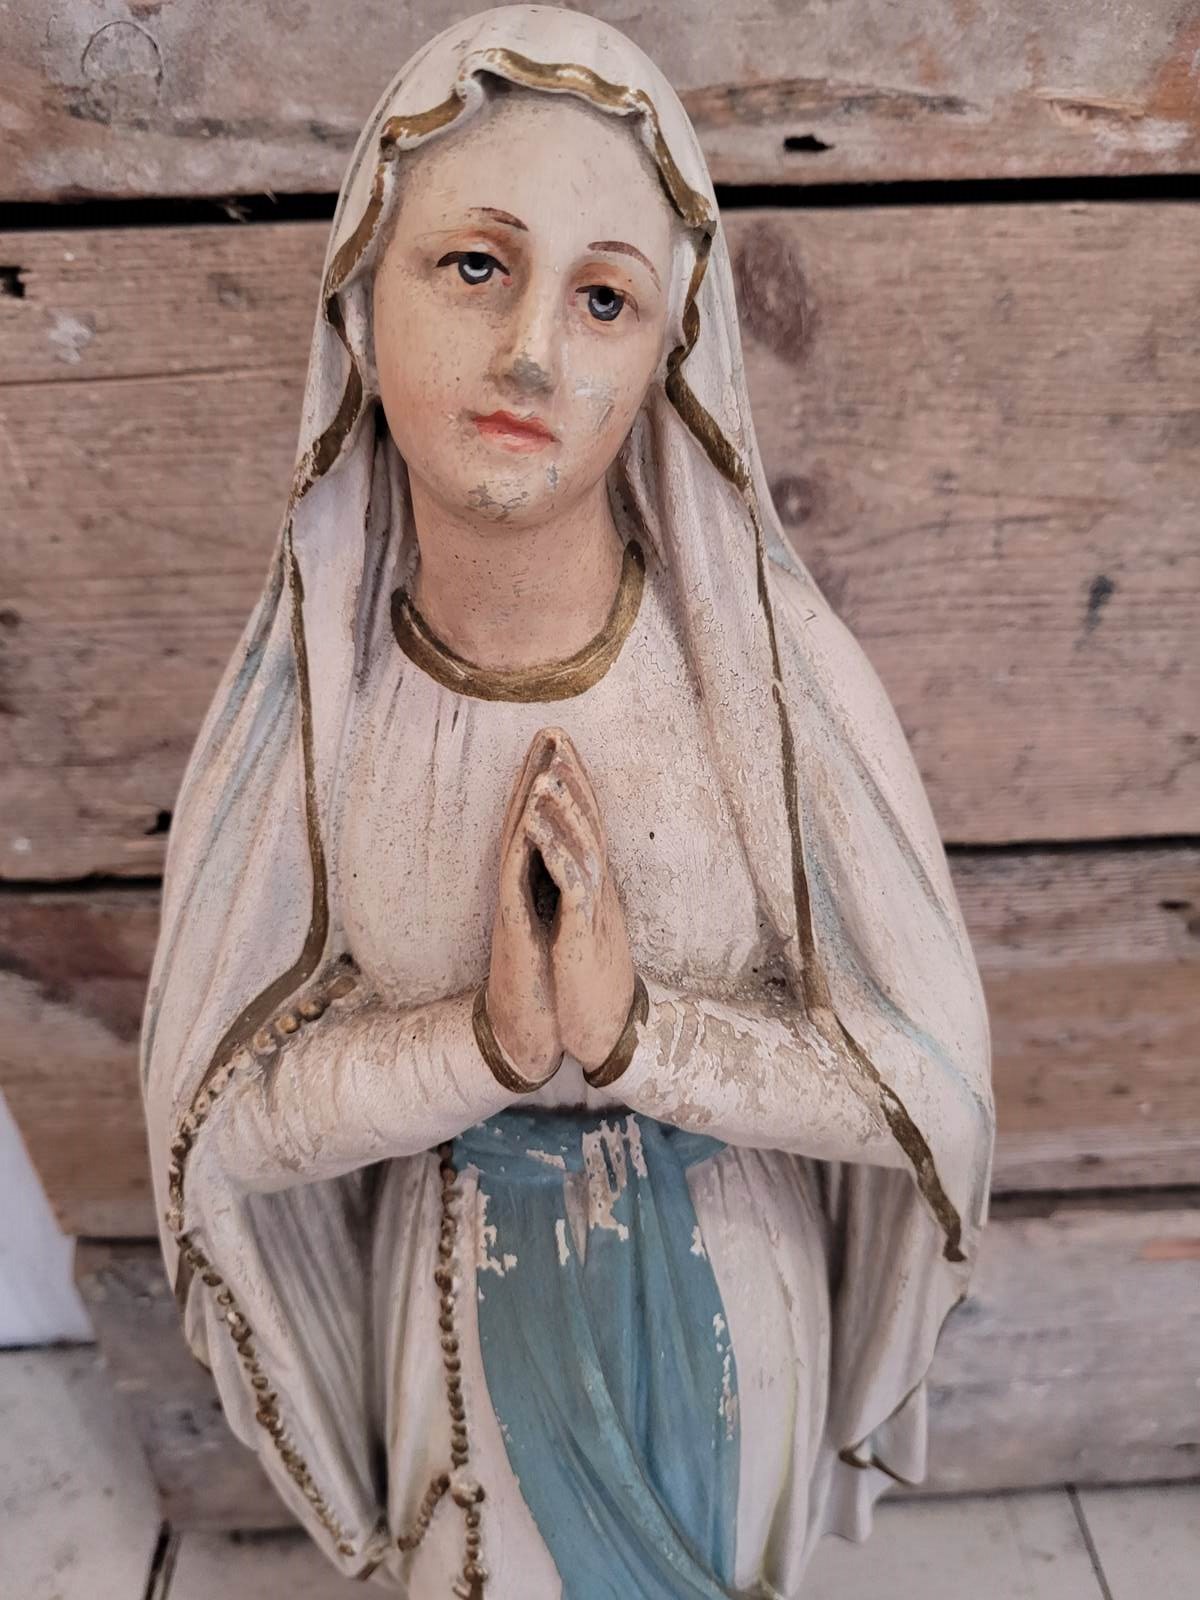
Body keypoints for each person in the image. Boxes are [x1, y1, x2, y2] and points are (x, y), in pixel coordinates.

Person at [140, 8, 995, 1596]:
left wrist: (638, 1039)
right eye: (475, 265)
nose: (533, 349)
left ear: (667, 351)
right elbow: (216, 1138)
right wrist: (481, 1048)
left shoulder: (761, 689)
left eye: (604, 297)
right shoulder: (313, 715)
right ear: (362, 296)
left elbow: (934, 1100)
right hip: (456, 1324)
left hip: (729, 1316)